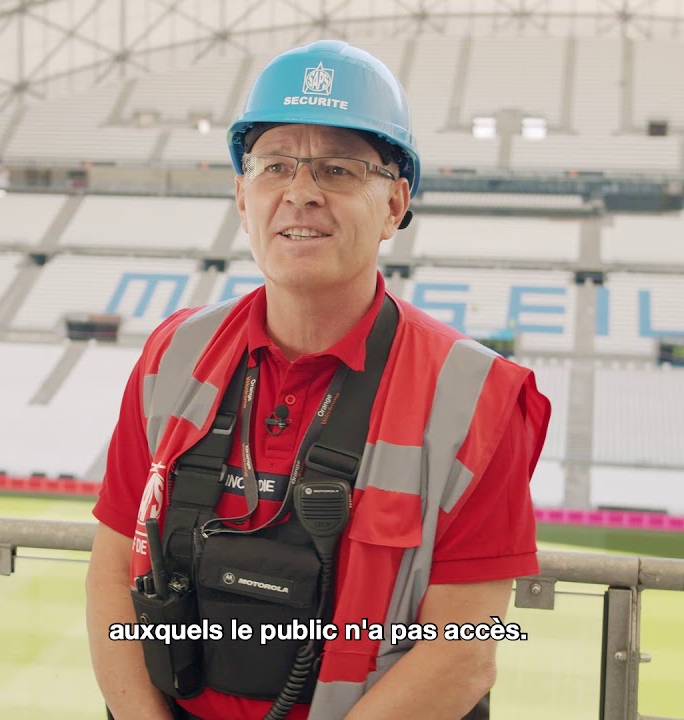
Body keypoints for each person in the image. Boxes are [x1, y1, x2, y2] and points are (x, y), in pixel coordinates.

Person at [86, 40, 551, 720]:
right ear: (242, 196)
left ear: (394, 204)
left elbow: (464, 651)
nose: (300, 192)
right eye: (275, 165)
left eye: (338, 169)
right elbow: (110, 574)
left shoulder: (477, 395)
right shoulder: (172, 353)